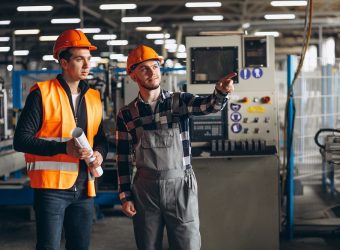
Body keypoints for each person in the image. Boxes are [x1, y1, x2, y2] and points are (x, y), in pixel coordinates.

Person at [115, 44, 235, 250]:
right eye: (144, 68)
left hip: (180, 187)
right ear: (133, 76)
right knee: (147, 245)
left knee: (186, 244)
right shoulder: (126, 114)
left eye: (154, 66)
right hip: (145, 190)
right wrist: (125, 196)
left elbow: (208, 106)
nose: (152, 72)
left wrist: (220, 93)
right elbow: (123, 158)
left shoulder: (179, 102)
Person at [13, 29, 108, 250]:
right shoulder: (42, 94)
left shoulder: (94, 97)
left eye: (88, 60)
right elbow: (21, 140)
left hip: (85, 188)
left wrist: (100, 154)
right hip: (51, 190)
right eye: (79, 59)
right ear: (64, 63)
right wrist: (64, 148)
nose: (86, 65)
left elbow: (101, 138)